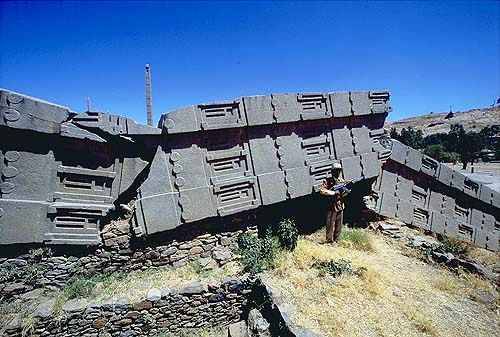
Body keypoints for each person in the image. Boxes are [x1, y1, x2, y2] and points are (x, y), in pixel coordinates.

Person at [319, 163, 347, 243]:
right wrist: (332, 192)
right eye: (336, 170)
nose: (337, 172)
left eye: (339, 170)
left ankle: (337, 240)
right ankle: (329, 240)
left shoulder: (341, 181)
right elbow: (322, 190)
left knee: (339, 224)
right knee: (330, 224)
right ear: (332, 171)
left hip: (340, 205)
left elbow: (344, 194)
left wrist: (345, 192)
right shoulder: (327, 181)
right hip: (331, 205)